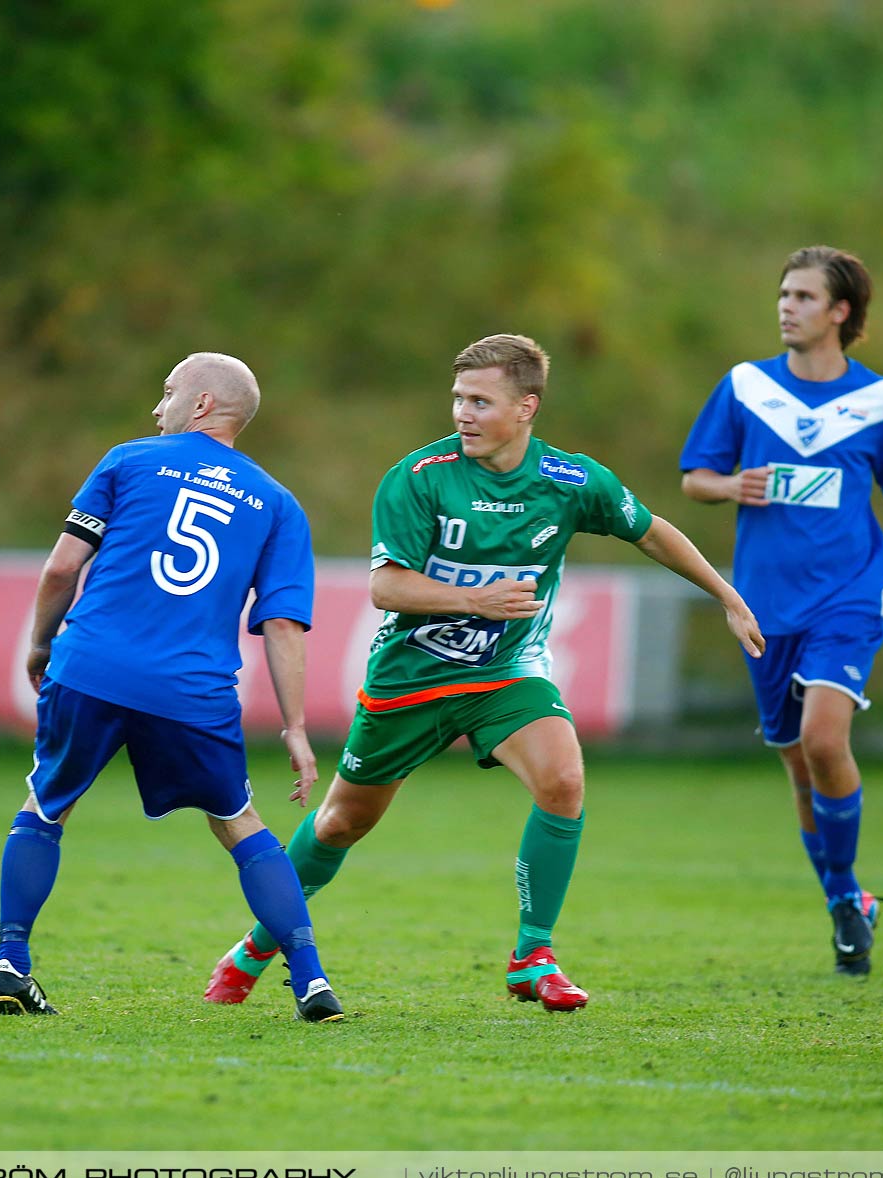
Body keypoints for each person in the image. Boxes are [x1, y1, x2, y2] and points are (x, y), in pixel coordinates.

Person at [202, 333, 765, 1012]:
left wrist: (727, 595)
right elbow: (388, 588)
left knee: (563, 779)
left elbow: (650, 530)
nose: (462, 413)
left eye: (480, 400)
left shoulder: (570, 480)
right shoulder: (419, 477)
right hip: (411, 680)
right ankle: (258, 946)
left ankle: (534, 955)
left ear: (527, 407)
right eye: (458, 398)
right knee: (340, 824)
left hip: (506, 672)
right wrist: (477, 599)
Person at [0, 352, 344, 1022]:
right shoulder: (277, 504)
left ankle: (12, 961)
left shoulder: (129, 459)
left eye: (170, 390)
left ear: (204, 404)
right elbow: (284, 625)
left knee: (45, 805)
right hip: (192, 688)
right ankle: (311, 979)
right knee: (239, 823)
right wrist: (295, 729)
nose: (159, 406)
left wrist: (40, 644)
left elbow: (63, 567)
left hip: (91, 665)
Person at [679, 245, 883, 976]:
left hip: (848, 593)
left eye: (803, 296)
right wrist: (732, 485)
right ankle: (846, 899)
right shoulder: (746, 387)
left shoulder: (879, 401)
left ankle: (843, 899)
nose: (786, 306)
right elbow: (694, 480)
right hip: (765, 605)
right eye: (782, 293)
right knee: (799, 765)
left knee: (824, 738)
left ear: (841, 312)